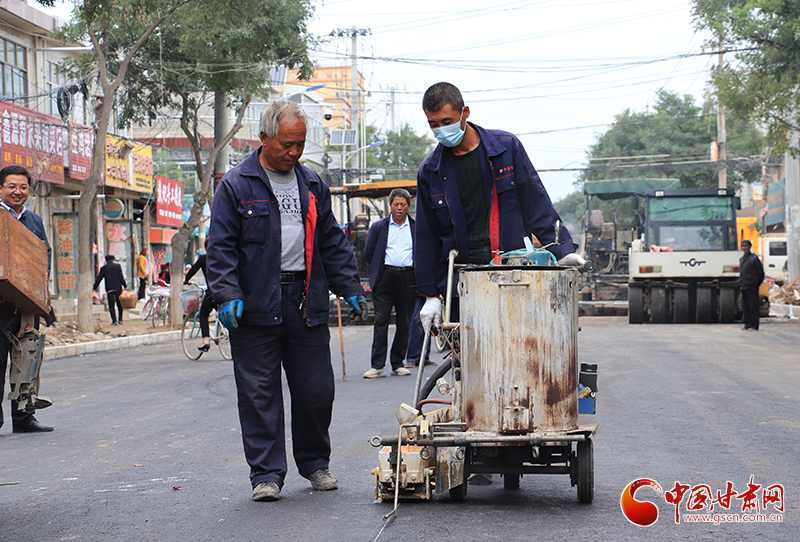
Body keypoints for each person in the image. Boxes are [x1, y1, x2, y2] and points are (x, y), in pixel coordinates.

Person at [207, 100, 367, 503]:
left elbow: (331, 239)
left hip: (304, 300)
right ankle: (266, 474)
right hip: (255, 304)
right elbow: (220, 248)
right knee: (259, 393)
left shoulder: (312, 184)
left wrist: (350, 285)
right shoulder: (236, 185)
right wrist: (227, 294)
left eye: (300, 144)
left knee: (317, 390)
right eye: (287, 145)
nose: (294, 153)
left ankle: (315, 462)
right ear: (264, 138)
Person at [414, 82, 583, 329]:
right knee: (470, 362)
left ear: (465, 113)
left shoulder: (505, 148)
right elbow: (426, 237)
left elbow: (535, 202)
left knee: (521, 353)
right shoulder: (431, 171)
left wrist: (562, 250)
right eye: (434, 124)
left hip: (514, 276)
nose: (441, 129)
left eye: (446, 121)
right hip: (465, 284)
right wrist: (430, 295)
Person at [0, 165, 54, 433]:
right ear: (1, 189)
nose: (17, 191)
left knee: (26, 363)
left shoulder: (34, 220)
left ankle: (23, 418)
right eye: (11, 186)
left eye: (22, 187)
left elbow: (45, 257)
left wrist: (43, 296)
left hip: (27, 308)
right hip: (0, 307)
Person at [362, 189, 416, 378]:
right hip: (385, 277)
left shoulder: (416, 227)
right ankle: (377, 365)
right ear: (390, 206)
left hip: (408, 277)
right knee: (381, 319)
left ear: (408, 206)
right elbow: (368, 253)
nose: (399, 208)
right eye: (395, 204)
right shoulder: (379, 227)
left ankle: (397, 362)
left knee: (405, 321)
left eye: (403, 204)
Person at [184, 239, 218, 353]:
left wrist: (186, 280)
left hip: (212, 292)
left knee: (203, 315)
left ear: (206, 248)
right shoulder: (222, 257)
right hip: (225, 291)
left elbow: (193, 270)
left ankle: (206, 342)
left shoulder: (204, 259)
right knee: (222, 312)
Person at [93, 254, 127, 325]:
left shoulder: (104, 268)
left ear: (106, 260)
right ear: (113, 260)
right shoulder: (117, 266)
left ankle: (114, 320)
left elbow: (99, 279)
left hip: (110, 289)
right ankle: (120, 319)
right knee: (119, 304)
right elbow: (121, 277)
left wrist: (94, 287)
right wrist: (125, 285)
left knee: (111, 305)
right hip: (118, 288)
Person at [739, 239, 764, 331]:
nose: (744, 248)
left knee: (753, 305)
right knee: (746, 306)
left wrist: (756, 283)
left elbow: (760, 273)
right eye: (743, 246)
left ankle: (754, 325)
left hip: (752, 286)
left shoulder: (754, 259)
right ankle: (747, 324)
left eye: (746, 246)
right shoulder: (742, 259)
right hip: (744, 285)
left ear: (750, 247)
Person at [403, 295, 435, 368]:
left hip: (426, 290)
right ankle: (413, 356)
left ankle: (423, 355)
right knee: (416, 321)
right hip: (418, 290)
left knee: (427, 320)